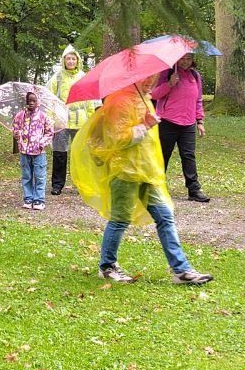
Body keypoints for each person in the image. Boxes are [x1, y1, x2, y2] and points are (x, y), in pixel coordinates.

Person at [70, 78, 213, 285]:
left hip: (146, 171)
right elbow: (117, 139)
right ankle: (107, 266)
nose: (151, 82)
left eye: (154, 78)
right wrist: (145, 124)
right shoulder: (119, 101)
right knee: (120, 219)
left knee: (165, 216)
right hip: (125, 172)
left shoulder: (144, 99)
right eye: (147, 79)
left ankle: (181, 270)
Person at [150, 54, 209, 203]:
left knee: (188, 156)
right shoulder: (166, 73)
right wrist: (169, 84)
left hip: (188, 123)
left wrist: (199, 120)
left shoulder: (195, 75)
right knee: (163, 155)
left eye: (188, 59)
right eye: (182, 59)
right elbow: (154, 94)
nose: (185, 62)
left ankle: (194, 189)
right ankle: (155, 188)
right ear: (176, 59)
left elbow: (198, 99)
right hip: (167, 121)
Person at [47, 45, 97, 195]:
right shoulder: (57, 77)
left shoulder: (83, 76)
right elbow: (49, 98)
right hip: (62, 120)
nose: (70, 61)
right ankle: (57, 185)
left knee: (81, 155)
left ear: (77, 60)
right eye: (68, 58)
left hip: (80, 120)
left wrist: (90, 119)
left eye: (73, 58)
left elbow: (90, 100)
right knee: (59, 153)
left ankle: (83, 185)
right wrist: (50, 118)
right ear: (64, 60)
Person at [12, 89, 53, 210]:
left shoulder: (43, 116)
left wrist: (42, 142)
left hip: (39, 152)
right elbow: (16, 128)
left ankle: (39, 200)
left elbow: (49, 133)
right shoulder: (20, 115)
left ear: (38, 102)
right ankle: (28, 198)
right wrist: (17, 135)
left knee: (39, 176)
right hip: (24, 151)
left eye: (33, 101)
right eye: (29, 101)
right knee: (26, 176)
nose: (31, 103)